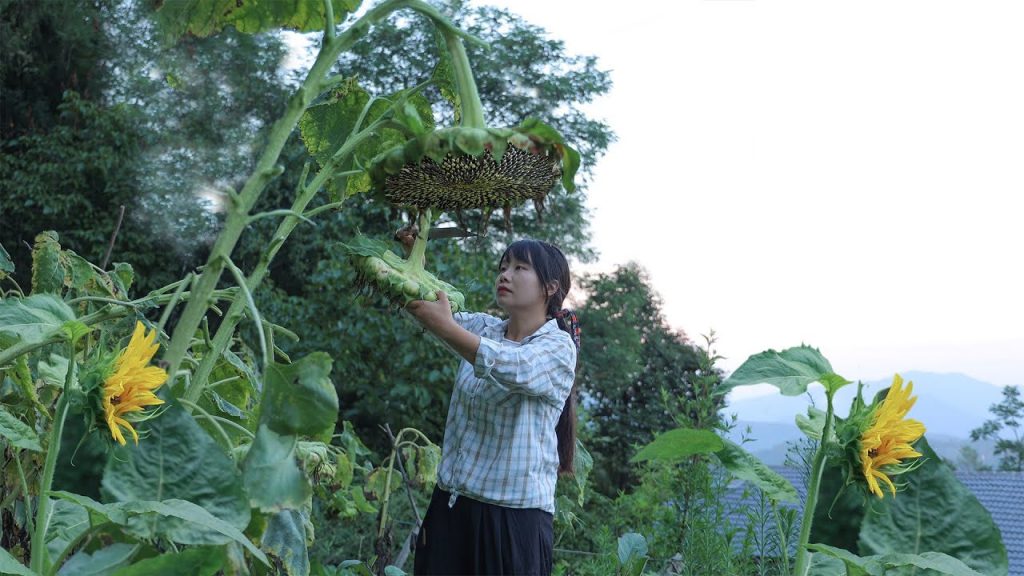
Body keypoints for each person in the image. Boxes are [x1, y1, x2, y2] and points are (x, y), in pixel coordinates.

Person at [401, 233, 581, 576]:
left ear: (550, 287)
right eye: (502, 267)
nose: (505, 275)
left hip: (513, 521)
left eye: (519, 267)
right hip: (451, 506)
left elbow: (512, 365)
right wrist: (415, 260)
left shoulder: (558, 348)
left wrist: (446, 327)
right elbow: (432, 307)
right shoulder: (485, 328)